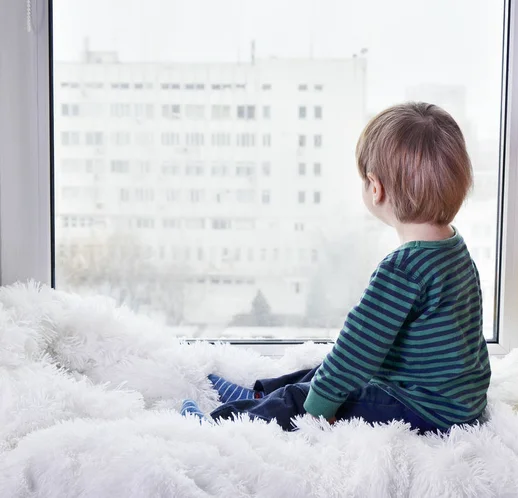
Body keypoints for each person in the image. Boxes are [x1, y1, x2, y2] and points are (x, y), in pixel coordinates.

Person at [181, 102, 491, 434]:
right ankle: (259, 396)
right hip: (455, 400)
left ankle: (218, 427)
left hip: (424, 408)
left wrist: (318, 408)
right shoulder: (453, 248)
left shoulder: (404, 269)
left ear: (375, 188)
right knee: (324, 371)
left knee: (307, 397)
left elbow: (357, 348)